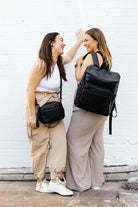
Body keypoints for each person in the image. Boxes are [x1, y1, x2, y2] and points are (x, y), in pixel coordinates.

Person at [23, 29, 83, 196]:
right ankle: (41, 182)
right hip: (38, 106)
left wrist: (78, 41)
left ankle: (56, 181)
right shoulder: (41, 63)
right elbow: (29, 88)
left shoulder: (58, 63)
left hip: (53, 108)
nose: (64, 43)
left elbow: (69, 57)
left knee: (59, 143)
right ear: (51, 42)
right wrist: (32, 115)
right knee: (40, 146)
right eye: (61, 40)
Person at [66, 28, 112, 192]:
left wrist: (78, 62)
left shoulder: (91, 57)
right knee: (96, 143)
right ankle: (96, 182)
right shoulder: (106, 58)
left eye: (86, 40)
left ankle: (79, 183)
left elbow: (80, 79)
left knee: (74, 141)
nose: (84, 44)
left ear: (96, 40)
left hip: (86, 107)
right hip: (102, 108)